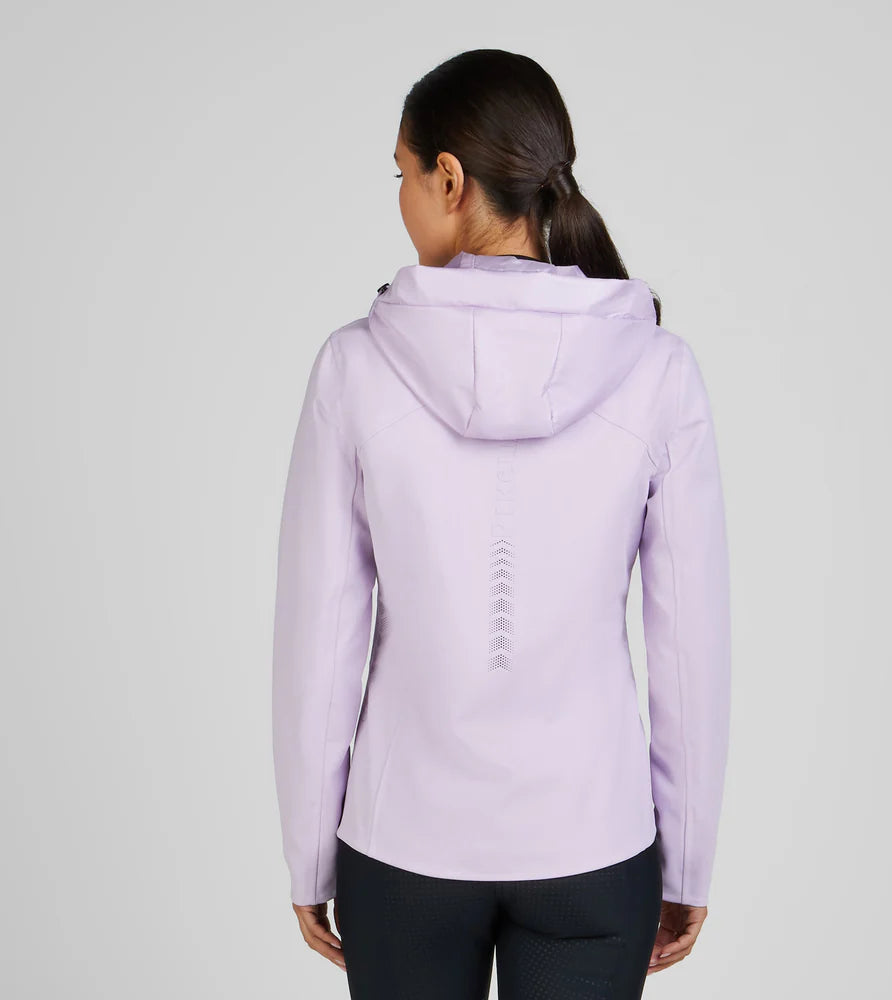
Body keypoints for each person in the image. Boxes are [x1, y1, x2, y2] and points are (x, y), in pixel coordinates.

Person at [271, 48, 731, 1000]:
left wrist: (310, 851)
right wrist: (687, 858)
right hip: (592, 841)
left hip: (402, 845)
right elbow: (690, 642)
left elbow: (318, 635)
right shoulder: (657, 370)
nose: (401, 198)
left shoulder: (354, 368)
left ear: (449, 180)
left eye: (402, 174)